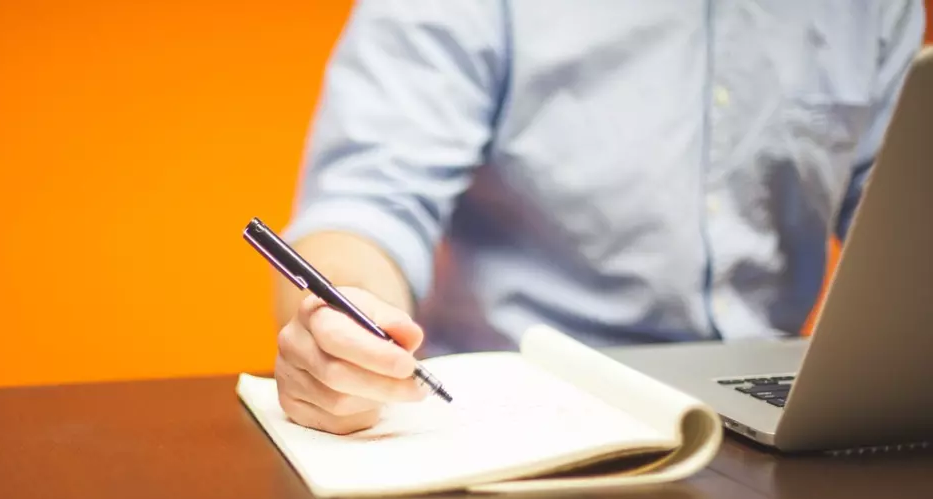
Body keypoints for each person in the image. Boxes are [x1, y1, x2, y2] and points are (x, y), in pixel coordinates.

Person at [271, 1, 927, 434]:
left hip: (785, 424)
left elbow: (903, 213)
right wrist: (348, 320)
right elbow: (367, 201)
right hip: (517, 427)